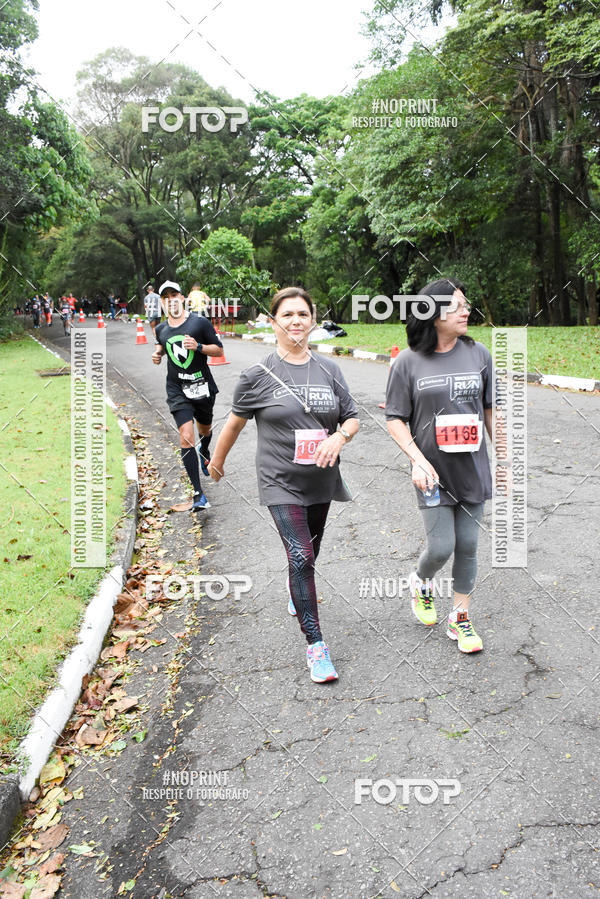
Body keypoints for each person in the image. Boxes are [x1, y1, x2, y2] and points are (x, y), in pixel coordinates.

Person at [208, 287, 360, 683]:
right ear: (273, 322)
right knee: (300, 556)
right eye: (287, 314)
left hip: (322, 478)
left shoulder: (329, 370)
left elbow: (352, 417)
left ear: (313, 321)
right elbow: (235, 423)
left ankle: (298, 593)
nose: (296, 321)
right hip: (280, 480)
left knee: (311, 549)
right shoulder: (257, 375)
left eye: (303, 314)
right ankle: (316, 646)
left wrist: (339, 437)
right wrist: (217, 460)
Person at [385, 278, 503, 654]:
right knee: (441, 547)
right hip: (432, 472)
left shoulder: (478, 354)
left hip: (472, 467)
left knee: (468, 545)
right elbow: (395, 418)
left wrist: (505, 457)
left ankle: (460, 618)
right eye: (456, 305)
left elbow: (490, 410)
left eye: (466, 304)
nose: (466, 310)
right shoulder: (407, 362)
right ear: (432, 314)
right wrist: (416, 461)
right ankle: (421, 581)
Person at [152, 281, 224, 511]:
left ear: (183, 298)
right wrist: (157, 354)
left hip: (202, 386)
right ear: (162, 302)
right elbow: (162, 345)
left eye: (174, 295)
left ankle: (204, 450)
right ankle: (198, 493)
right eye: (166, 297)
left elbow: (219, 349)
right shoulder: (161, 329)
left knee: (205, 430)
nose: (171, 299)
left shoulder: (199, 322)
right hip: (177, 389)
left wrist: (199, 346)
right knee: (185, 437)